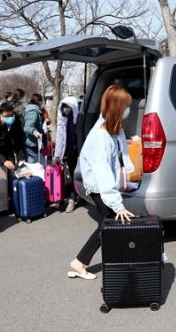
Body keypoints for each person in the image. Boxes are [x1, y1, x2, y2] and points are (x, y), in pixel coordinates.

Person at [68, 85, 135, 280]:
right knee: (110, 223)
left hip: (101, 185)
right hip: (98, 186)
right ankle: (83, 262)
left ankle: (81, 262)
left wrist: (129, 171)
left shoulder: (112, 127)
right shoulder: (101, 136)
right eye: (126, 106)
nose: (128, 110)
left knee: (108, 224)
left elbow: (122, 147)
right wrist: (117, 204)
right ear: (117, 108)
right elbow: (103, 173)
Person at [0, 102, 26, 171]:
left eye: (11, 115)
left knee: (10, 175)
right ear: (0, 115)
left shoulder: (16, 122)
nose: (10, 118)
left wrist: (21, 158)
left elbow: (18, 141)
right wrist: (3, 160)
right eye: (6, 116)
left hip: (8, 152)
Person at [55, 96, 79, 213]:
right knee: (69, 176)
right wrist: (57, 155)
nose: (66, 110)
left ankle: (77, 195)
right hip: (68, 152)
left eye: (68, 107)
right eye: (64, 107)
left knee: (77, 175)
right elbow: (59, 137)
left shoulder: (79, 119)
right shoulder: (62, 120)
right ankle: (71, 199)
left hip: (79, 151)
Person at [23, 94, 45, 164]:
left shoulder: (35, 111)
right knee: (37, 169)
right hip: (33, 145)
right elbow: (27, 127)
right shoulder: (33, 112)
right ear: (39, 102)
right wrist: (35, 132)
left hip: (35, 144)